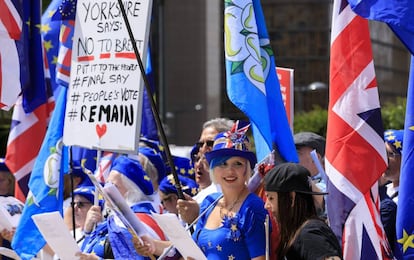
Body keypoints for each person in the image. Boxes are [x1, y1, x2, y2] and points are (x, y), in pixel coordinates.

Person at [192, 120, 268, 259]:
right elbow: (192, 251)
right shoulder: (209, 202)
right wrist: (152, 245)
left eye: (237, 164)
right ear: (214, 169)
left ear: (247, 169)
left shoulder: (253, 207)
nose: (230, 171)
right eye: (223, 164)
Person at [78, 156, 166, 260]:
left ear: (132, 191)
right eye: (106, 184)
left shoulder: (139, 222)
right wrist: (88, 231)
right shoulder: (113, 220)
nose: (105, 191)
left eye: (113, 186)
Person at [264, 162, 342, 260]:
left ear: (291, 198)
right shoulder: (299, 233)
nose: (266, 206)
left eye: (271, 198)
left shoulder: (309, 234)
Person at [177, 118, 233, 225]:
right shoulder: (203, 195)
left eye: (210, 143)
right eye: (200, 144)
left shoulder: (241, 191)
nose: (203, 149)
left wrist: (198, 215)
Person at [383, 129, 403, 203]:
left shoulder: (408, 199)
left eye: (391, 154)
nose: (385, 158)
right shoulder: (384, 190)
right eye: (383, 152)